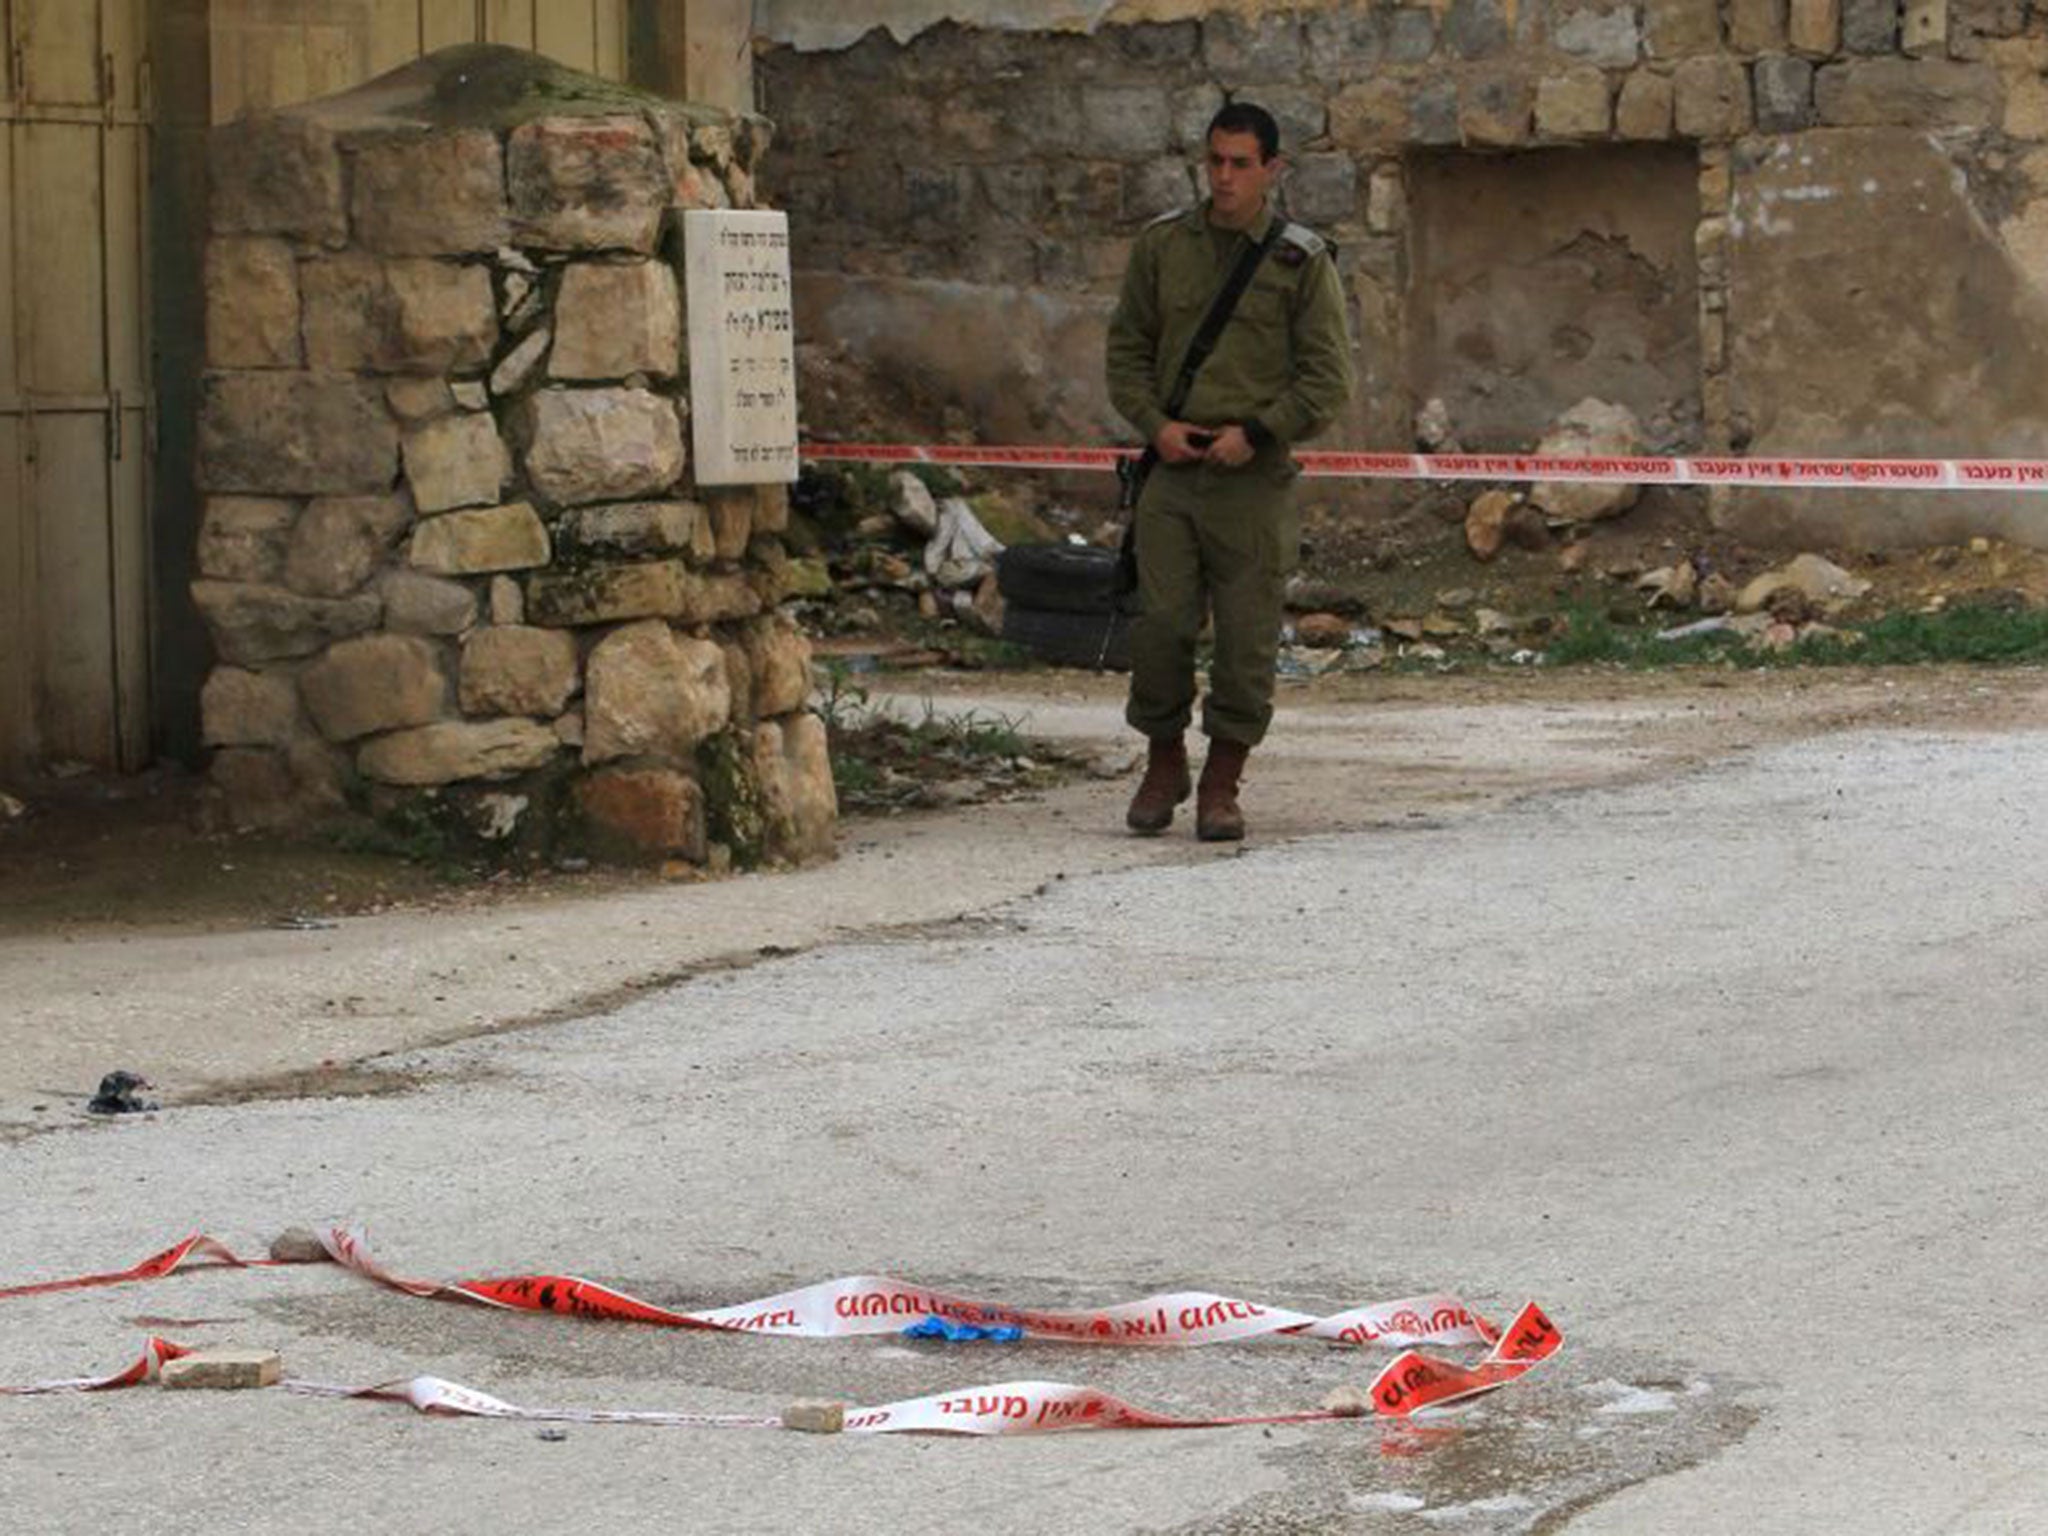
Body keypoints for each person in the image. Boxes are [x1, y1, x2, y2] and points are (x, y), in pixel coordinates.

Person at [1105, 100, 1354, 841]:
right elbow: (1126, 354)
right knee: (1159, 627)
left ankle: (1222, 781)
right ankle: (1163, 762)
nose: (1223, 177)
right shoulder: (1162, 249)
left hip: (1252, 477)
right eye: (1214, 160)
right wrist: (1157, 426)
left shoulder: (1299, 261)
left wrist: (1260, 431)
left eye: (1240, 163)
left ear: (1272, 170)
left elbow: (1325, 379)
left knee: (1246, 640)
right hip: (1174, 472)